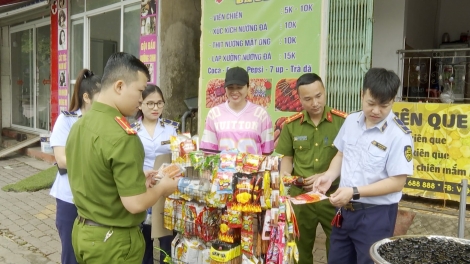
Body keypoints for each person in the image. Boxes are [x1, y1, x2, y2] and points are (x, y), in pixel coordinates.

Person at [65, 52, 181, 263]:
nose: (141, 99)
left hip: (83, 233)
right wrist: (162, 187)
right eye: (139, 90)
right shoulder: (123, 136)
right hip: (114, 243)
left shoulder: (80, 124)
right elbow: (135, 204)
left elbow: (95, 175)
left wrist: (137, 179)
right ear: (119, 86)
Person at [314, 68, 413, 264]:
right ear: (362, 94)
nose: (376, 111)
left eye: (383, 105)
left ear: (393, 100)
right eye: (370, 103)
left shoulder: (399, 135)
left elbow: (397, 182)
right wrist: (329, 175)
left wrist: (354, 192)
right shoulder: (351, 121)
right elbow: (341, 154)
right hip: (344, 213)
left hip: (376, 216)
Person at [274, 73, 346, 264]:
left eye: (319, 96)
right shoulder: (291, 126)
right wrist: (285, 175)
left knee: (337, 247)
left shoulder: (343, 122)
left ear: (324, 92)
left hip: (333, 196)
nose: (315, 103)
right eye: (308, 99)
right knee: (300, 248)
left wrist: (325, 175)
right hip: (301, 197)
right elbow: (287, 158)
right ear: (299, 99)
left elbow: (347, 158)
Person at [50, 69, 101, 264]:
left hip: (96, 197)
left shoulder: (105, 121)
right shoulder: (67, 120)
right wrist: (97, 163)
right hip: (70, 198)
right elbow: (61, 160)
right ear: (86, 97)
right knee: (71, 254)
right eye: (101, 95)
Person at [133, 84, 178, 264]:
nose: (155, 108)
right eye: (150, 103)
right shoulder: (132, 130)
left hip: (166, 191)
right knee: (144, 242)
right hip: (143, 188)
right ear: (140, 105)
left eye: (159, 103)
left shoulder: (170, 128)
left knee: (167, 241)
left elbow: (177, 156)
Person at [200, 66, 274, 155]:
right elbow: (208, 152)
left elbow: (267, 152)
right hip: (222, 168)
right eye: (231, 87)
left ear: (248, 87)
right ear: (225, 88)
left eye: (239, 87)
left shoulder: (261, 114)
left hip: (253, 168)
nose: (235, 91)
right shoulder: (214, 114)